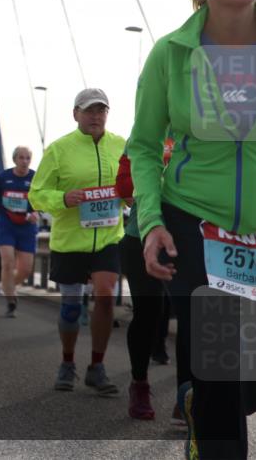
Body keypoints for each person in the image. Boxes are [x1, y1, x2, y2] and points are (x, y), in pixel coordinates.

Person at [129, 0, 256, 460]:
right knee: (225, 364)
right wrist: (152, 221)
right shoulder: (171, 55)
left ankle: (201, 407)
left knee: (239, 381)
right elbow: (142, 146)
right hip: (196, 224)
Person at [30, 88, 126, 397]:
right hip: (71, 240)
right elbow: (36, 195)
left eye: (101, 110)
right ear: (76, 114)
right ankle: (67, 362)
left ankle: (97, 367)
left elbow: (132, 184)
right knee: (70, 308)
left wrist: (131, 194)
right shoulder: (59, 150)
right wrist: (63, 199)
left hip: (109, 238)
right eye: (89, 110)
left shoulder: (121, 146)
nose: (96, 116)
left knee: (106, 296)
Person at [116, 143, 186, 423]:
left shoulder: (210, 124)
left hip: (190, 237)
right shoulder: (145, 131)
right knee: (149, 314)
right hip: (141, 235)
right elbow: (124, 187)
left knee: (192, 315)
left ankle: (187, 396)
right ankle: (140, 384)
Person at [0, 146, 41, 317]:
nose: (24, 161)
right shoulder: (3, 177)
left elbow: (42, 199)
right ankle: (10, 300)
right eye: (21, 158)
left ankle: (8, 286)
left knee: (25, 269)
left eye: (27, 158)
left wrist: (36, 212)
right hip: (6, 223)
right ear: (15, 159)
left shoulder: (35, 178)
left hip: (26, 226)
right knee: (7, 262)